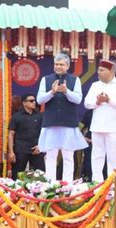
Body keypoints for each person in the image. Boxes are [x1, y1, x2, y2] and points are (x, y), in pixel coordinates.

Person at [37, 53, 88, 182]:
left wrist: (66, 91)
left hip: (68, 123)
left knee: (68, 155)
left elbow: (77, 99)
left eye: (61, 64)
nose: (58, 67)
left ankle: (67, 185)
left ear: (67, 66)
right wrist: (52, 92)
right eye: (56, 64)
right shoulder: (46, 79)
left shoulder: (74, 80)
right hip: (51, 123)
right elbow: (39, 100)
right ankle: (50, 185)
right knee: (50, 155)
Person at [84, 59, 116, 182]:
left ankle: (114, 185)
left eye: (102, 70)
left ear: (111, 72)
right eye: (98, 70)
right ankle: (97, 185)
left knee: (114, 157)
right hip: (97, 126)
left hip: (114, 128)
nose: (98, 72)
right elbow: (87, 103)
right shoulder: (95, 85)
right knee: (97, 156)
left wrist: (109, 101)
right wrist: (97, 102)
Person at [8, 94, 45, 180]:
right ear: (24, 103)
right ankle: (16, 192)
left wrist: (41, 145)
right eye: (31, 101)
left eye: (34, 100)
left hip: (36, 149)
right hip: (21, 149)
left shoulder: (39, 116)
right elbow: (11, 134)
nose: (34, 102)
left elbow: (44, 133)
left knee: (40, 175)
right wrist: (11, 152)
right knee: (17, 175)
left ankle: (39, 192)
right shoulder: (17, 116)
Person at [80, 109, 107, 182]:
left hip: (106, 143)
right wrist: (85, 138)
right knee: (89, 162)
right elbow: (80, 127)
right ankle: (91, 181)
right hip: (91, 142)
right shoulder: (89, 113)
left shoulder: (107, 111)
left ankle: (105, 182)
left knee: (104, 163)